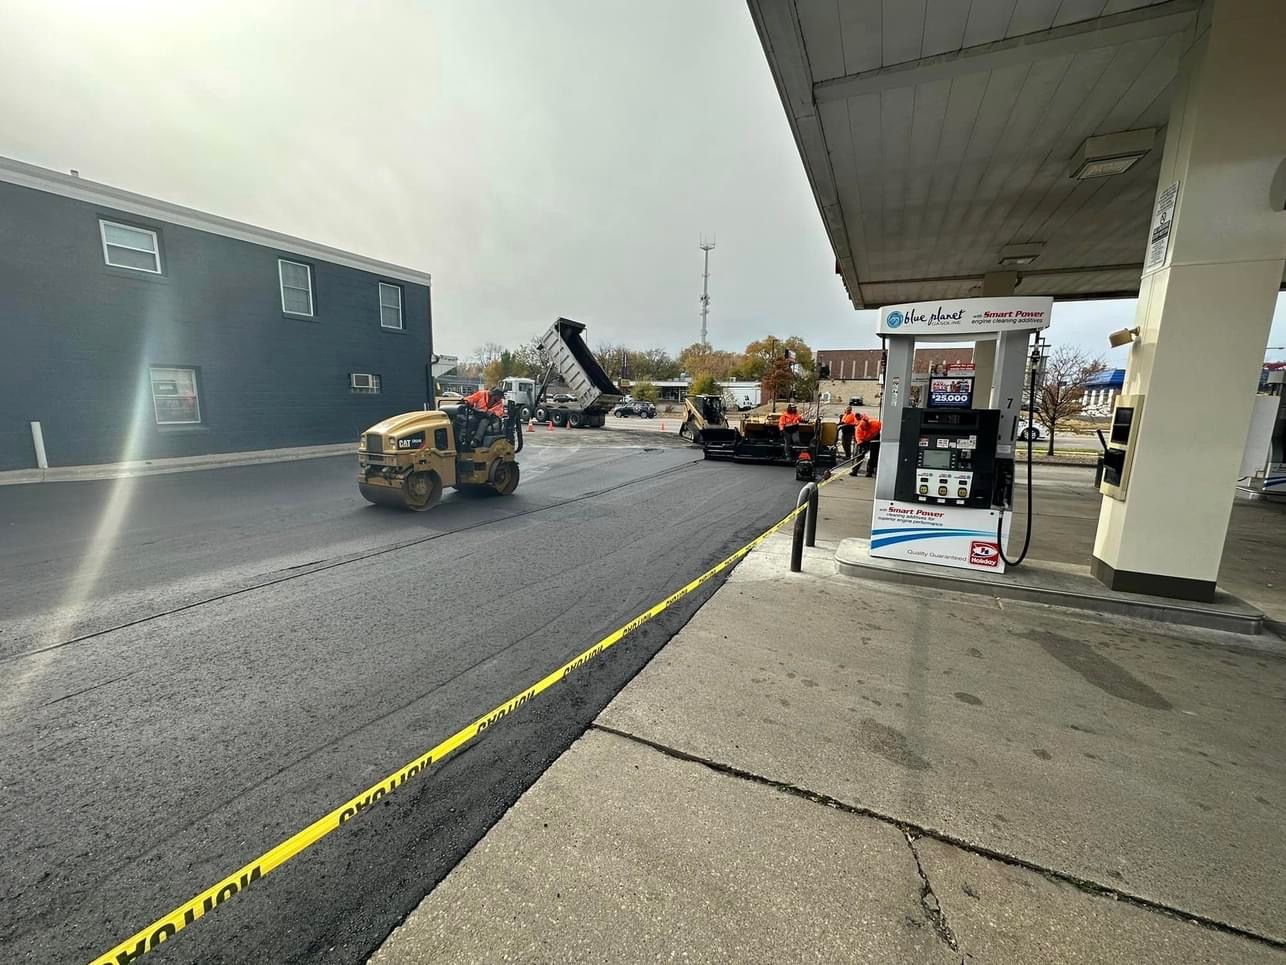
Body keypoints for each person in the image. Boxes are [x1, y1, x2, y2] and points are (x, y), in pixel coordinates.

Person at [855, 413, 882, 478]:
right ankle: (855, 470)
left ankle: (869, 472)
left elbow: (883, 431)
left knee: (873, 456)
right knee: (860, 455)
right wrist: (864, 449)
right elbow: (859, 441)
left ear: (868, 423)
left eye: (866, 427)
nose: (865, 429)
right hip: (864, 442)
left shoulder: (876, 424)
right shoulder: (858, 430)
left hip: (874, 440)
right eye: (863, 428)